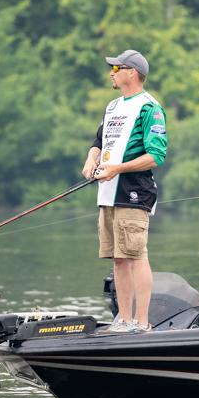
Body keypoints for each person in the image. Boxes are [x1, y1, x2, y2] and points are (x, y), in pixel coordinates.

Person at [82, 50, 167, 333]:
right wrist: (91, 160)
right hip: (107, 194)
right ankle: (124, 319)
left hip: (134, 193)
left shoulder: (150, 108)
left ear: (132, 72)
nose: (111, 73)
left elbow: (156, 155)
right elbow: (98, 141)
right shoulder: (113, 106)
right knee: (118, 258)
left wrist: (116, 169)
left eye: (116, 68)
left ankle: (141, 323)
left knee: (136, 256)